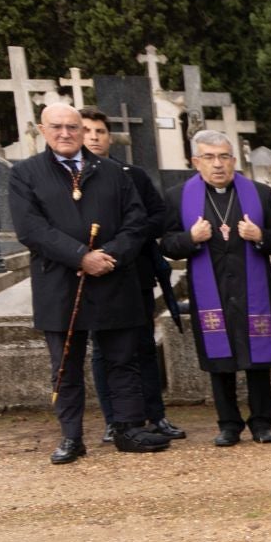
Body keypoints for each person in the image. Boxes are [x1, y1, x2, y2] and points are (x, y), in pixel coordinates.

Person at [11, 101, 168, 463]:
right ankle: (71, 436)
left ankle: (128, 428)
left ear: (82, 130)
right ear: (43, 130)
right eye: (56, 127)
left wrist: (109, 255)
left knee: (122, 359)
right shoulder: (26, 173)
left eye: (72, 127)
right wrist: (80, 256)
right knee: (65, 365)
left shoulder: (113, 172)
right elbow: (31, 228)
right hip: (59, 284)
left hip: (113, 278)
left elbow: (136, 221)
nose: (65, 133)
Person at [161, 130, 271, 446]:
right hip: (211, 288)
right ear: (196, 162)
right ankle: (228, 424)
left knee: (258, 356)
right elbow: (167, 244)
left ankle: (262, 422)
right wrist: (190, 239)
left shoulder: (259, 193)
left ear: (234, 160)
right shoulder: (178, 197)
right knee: (219, 357)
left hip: (252, 288)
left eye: (223, 157)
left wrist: (260, 236)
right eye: (209, 157)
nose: (218, 164)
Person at [78, 107, 185, 445]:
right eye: (87, 131)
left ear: (109, 137)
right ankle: (115, 420)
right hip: (96, 275)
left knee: (143, 345)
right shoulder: (72, 179)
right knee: (104, 350)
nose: (94, 137)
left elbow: (157, 216)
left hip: (135, 271)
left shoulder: (132, 175)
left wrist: (128, 237)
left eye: (100, 131)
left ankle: (156, 415)